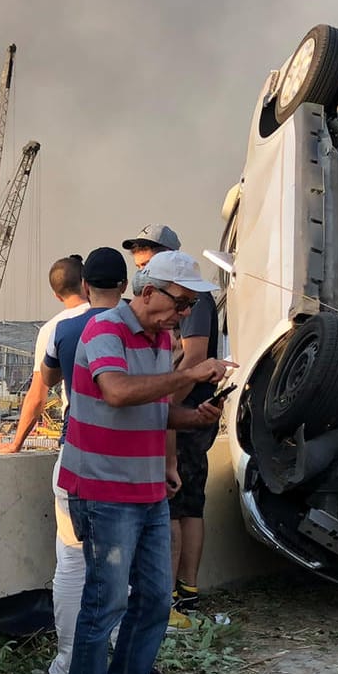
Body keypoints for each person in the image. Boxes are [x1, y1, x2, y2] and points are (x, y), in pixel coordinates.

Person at [60, 259, 233, 674]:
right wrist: (190, 375)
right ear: (149, 291)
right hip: (102, 489)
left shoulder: (161, 340)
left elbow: (153, 409)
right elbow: (117, 392)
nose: (184, 313)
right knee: (106, 601)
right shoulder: (104, 330)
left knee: (156, 597)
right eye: (180, 302)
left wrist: (193, 417)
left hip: (147, 489)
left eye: (191, 305)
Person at [34, 248, 130, 674]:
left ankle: (69, 662)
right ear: (126, 287)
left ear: (84, 287)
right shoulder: (146, 328)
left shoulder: (65, 329)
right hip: (131, 462)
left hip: (76, 458)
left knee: (72, 562)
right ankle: (126, 664)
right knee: (122, 566)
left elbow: (44, 386)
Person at [142, 250, 224, 615]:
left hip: (182, 417)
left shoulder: (193, 303)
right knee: (186, 504)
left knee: (178, 508)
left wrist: (166, 410)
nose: (184, 312)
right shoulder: (150, 330)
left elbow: (193, 359)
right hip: (184, 417)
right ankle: (181, 597)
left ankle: (174, 601)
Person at [2, 255, 89, 455]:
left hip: (77, 430)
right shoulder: (113, 315)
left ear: (57, 296)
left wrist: (16, 444)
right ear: (86, 283)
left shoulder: (53, 328)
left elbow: (37, 396)